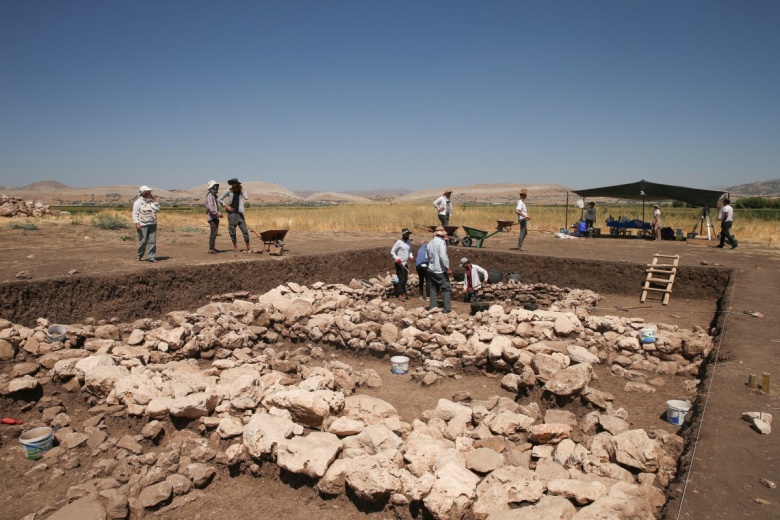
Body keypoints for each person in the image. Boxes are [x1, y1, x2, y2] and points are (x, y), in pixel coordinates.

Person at [220, 178, 252, 253]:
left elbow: (246, 198)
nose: (234, 185)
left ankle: (248, 247)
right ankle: (235, 246)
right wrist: (226, 206)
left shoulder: (240, 192)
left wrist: (243, 191)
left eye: (236, 183)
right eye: (233, 183)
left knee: (245, 230)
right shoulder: (228, 191)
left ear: (238, 184)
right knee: (232, 231)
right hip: (232, 214)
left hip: (240, 214)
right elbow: (219, 199)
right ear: (231, 184)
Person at [426, 226, 451, 313]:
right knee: (446, 288)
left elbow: (427, 257)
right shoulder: (441, 242)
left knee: (433, 289)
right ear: (441, 235)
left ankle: (432, 308)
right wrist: (447, 268)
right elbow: (443, 256)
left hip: (431, 269)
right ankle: (447, 309)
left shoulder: (430, 243)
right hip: (440, 269)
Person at [132, 185, 160, 262]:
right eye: (148, 192)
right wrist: (137, 223)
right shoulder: (138, 202)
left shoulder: (151, 202)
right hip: (143, 224)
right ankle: (139, 255)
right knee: (143, 241)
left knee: (152, 241)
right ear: (144, 193)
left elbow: (158, 209)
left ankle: (151, 257)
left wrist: (155, 201)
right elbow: (135, 214)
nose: (150, 193)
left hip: (153, 223)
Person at [390, 228, 414, 300]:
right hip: (399, 263)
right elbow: (392, 251)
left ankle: (404, 293)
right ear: (403, 234)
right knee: (401, 279)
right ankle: (400, 294)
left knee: (405, 279)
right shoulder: (399, 242)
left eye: (408, 234)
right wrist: (397, 259)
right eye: (406, 234)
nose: (408, 235)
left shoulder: (409, 242)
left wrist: (411, 256)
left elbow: (410, 251)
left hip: (405, 263)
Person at [205, 180, 222, 253]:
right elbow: (211, 208)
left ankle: (212, 247)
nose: (217, 188)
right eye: (215, 186)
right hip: (212, 217)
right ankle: (211, 248)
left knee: (214, 233)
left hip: (214, 217)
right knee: (213, 232)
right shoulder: (210, 196)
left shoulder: (213, 195)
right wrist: (217, 213)